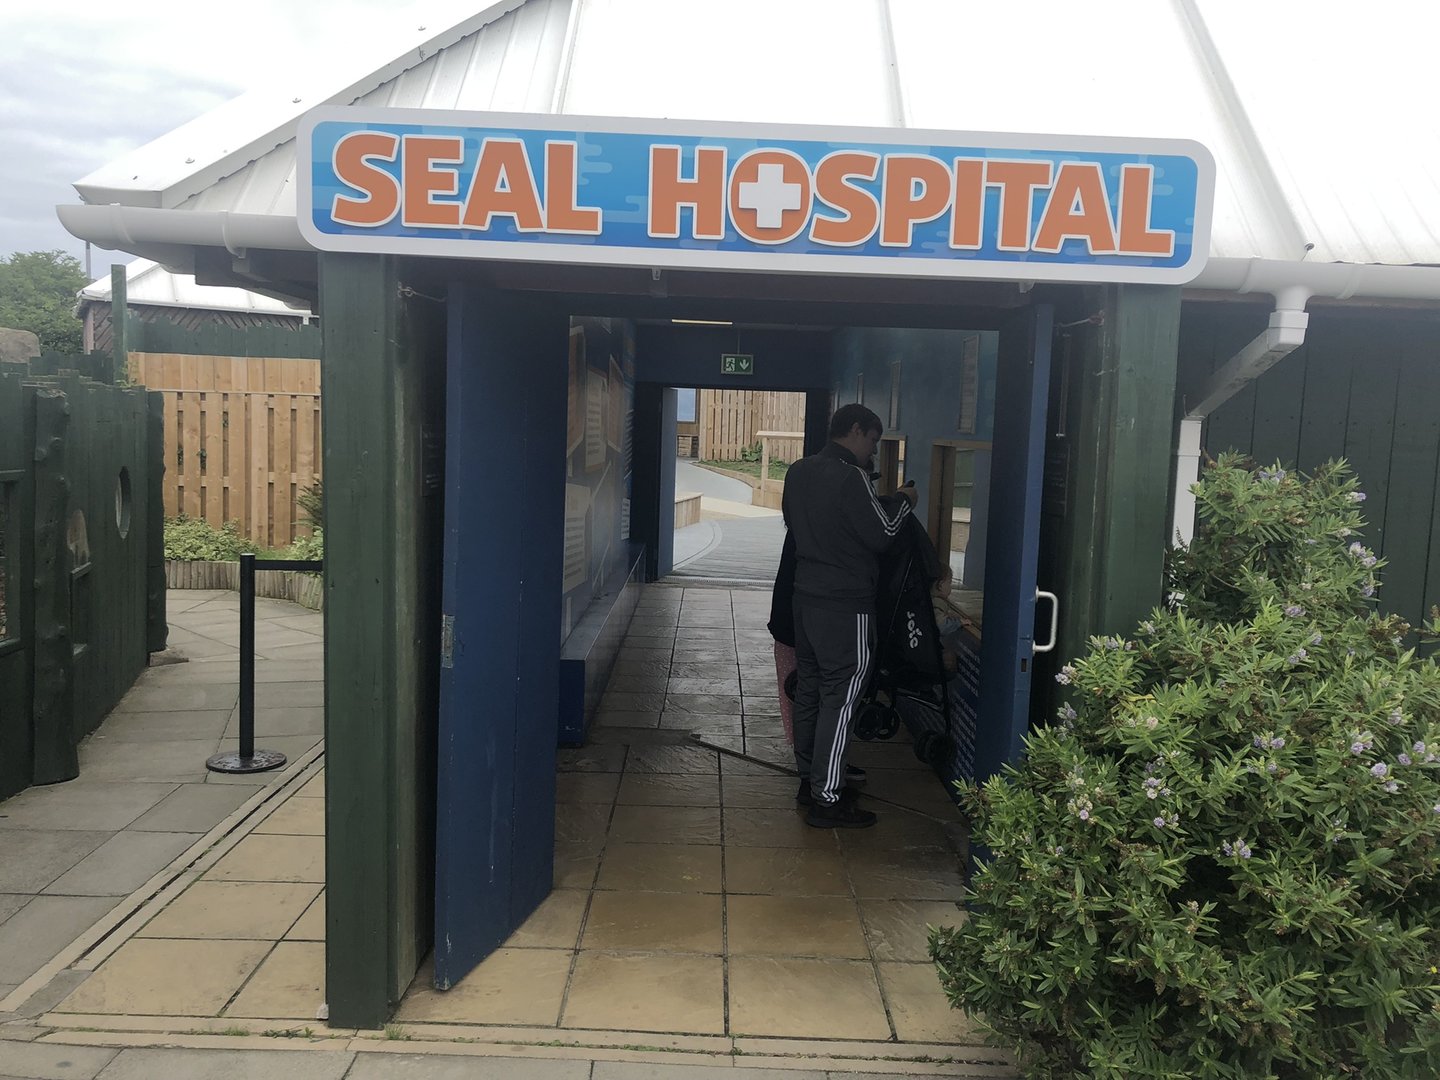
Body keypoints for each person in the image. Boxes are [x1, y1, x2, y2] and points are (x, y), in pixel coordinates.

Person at [782, 404, 916, 828]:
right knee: (841, 701)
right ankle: (828, 797)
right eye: (873, 440)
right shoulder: (851, 478)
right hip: (845, 606)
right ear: (856, 431)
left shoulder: (799, 471)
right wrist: (905, 501)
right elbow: (884, 534)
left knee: (811, 692)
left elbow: (794, 523)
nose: (873, 451)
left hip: (805, 600)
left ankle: (809, 780)